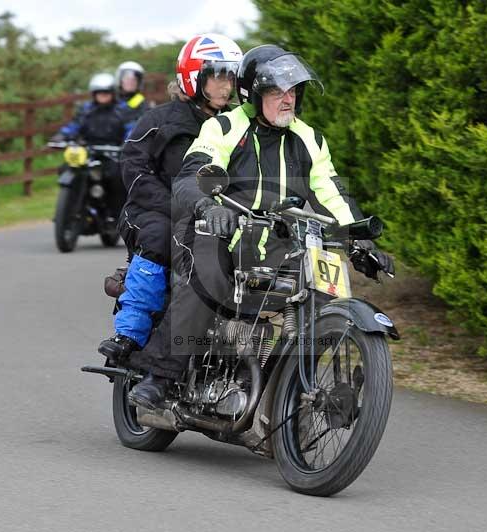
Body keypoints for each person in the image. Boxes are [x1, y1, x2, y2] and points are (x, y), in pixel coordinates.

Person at [127, 44, 396, 409]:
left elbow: (331, 192)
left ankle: (285, 387)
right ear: (253, 94)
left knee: (322, 290)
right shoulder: (223, 127)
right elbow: (194, 173)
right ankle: (159, 375)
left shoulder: (310, 138)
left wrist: (358, 241)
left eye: (293, 92)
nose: (288, 100)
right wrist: (209, 205)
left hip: (281, 243)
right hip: (221, 231)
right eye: (276, 92)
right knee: (210, 276)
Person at [97, 34, 244, 364]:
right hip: (153, 211)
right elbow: (133, 168)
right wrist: (177, 205)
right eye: (218, 76)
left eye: (231, 77)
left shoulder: (237, 125)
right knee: (160, 237)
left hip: (213, 215)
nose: (226, 86)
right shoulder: (159, 120)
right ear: (194, 77)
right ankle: (129, 333)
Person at [52, 72, 135, 218]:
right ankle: (68, 209)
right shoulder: (86, 110)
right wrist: (61, 136)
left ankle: (117, 216)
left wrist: (129, 143)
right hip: (88, 152)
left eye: (106, 92)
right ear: (94, 94)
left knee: (116, 177)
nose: (103, 96)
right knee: (67, 168)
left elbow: (131, 129)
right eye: (99, 93)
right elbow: (73, 126)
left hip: (113, 153)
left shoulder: (123, 110)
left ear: (113, 93)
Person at [115, 60, 149, 134]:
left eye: (134, 80)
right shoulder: (111, 99)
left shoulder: (142, 104)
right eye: (127, 79)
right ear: (120, 80)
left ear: (139, 82)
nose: (130, 82)